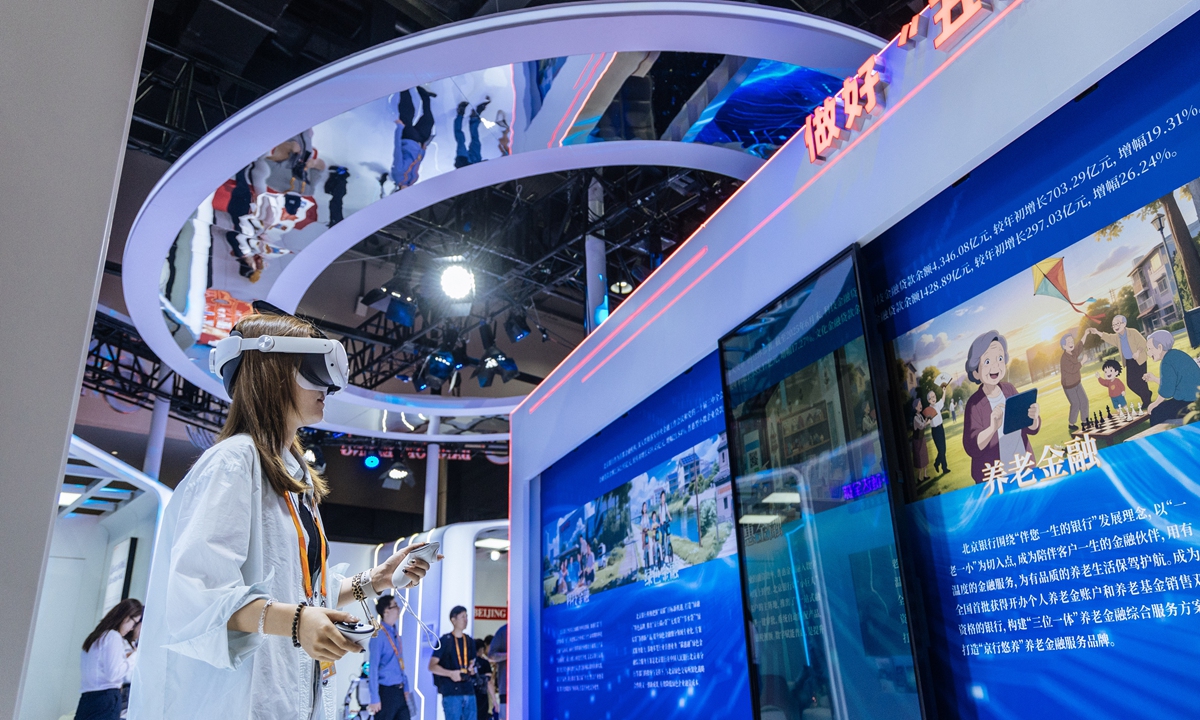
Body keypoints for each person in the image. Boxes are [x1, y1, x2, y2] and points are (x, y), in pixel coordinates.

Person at [129, 313, 432, 720]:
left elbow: (300, 591)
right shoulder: (235, 462)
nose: (326, 386)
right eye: (313, 371)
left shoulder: (293, 472)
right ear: (271, 373)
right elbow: (197, 594)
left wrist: (375, 580)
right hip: (238, 702)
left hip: (289, 695)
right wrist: (296, 622)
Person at [961, 331, 1041, 484]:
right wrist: (992, 428)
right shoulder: (974, 404)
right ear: (976, 372)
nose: (995, 366)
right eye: (987, 362)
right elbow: (971, 447)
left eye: (999, 358)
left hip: (1024, 467)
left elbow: (1031, 428)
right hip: (996, 478)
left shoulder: (1009, 389)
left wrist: (1034, 418)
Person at [77, 599, 142, 720]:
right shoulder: (113, 637)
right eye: (134, 623)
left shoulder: (95, 636)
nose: (132, 628)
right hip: (106, 699)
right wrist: (135, 656)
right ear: (126, 617)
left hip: (87, 699)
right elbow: (114, 674)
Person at [1085, 315, 1152, 407]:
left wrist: (1137, 352)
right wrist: (1096, 332)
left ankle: (1146, 401)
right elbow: (1108, 337)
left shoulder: (1133, 332)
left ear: (1124, 324)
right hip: (1129, 362)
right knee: (1131, 383)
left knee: (1141, 381)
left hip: (1139, 359)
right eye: (1113, 325)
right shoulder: (1117, 337)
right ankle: (1147, 394)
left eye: (1117, 323)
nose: (1115, 326)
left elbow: (1143, 343)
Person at [368, 595, 412, 720]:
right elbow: (373, 668)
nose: (398, 609)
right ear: (386, 611)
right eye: (395, 606)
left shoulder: (396, 634)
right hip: (385, 692)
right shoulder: (378, 636)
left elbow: (400, 662)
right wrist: (374, 698)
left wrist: (406, 686)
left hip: (400, 690)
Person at [430, 605, 478, 720]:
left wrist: (472, 669)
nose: (465, 620)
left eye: (466, 617)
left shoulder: (469, 641)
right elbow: (432, 666)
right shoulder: (445, 641)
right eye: (462, 617)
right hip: (451, 692)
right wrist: (450, 673)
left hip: (469, 690)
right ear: (453, 620)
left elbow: (472, 662)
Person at [1143, 329, 1200, 425]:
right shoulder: (1176, 354)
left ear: (1160, 347)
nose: (1148, 353)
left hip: (1189, 402)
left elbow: (1167, 391)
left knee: (1156, 412)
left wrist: (1155, 404)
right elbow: (1171, 383)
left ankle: (1161, 438)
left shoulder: (1167, 362)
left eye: (1150, 349)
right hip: (1195, 399)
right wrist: (1154, 379)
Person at [392, 86, 436, 191]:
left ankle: (404, 89)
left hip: (408, 139)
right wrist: (423, 150)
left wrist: (399, 128)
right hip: (420, 142)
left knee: (407, 113)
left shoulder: (398, 175)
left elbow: (397, 150)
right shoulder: (413, 181)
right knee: (428, 120)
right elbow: (417, 162)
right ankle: (425, 96)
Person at [1059, 333, 1089, 431]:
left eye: (1072, 341)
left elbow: (1079, 345)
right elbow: (1072, 369)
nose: (1071, 343)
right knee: (1075, 404)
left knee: (1084, 400)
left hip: (1077, 382)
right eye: (1068, 342)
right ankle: (1071, 423)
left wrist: (1086, 333)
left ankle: (1085, 421)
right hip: (1069, 386)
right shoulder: (1064, 359)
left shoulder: (1073, 352)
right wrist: (1082, 361)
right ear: (1064, 346)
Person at [454, 98, 490, 168]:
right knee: (475, 140)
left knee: (460, 139)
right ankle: (474, 118)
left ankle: (460, 113)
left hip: (463, 163)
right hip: (476, 163)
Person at [925, 386, 949, 474]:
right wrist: (926, 422)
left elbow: (942, 400)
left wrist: (944, 392)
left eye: (934, 396)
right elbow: (928, 420)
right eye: (931, 398)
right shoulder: (929, 410)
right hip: (935, 431)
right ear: (928, 400)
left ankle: (942, 466)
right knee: (941, 450)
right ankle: (941, 466)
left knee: (944, 449)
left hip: (941, 428)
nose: (933, 399)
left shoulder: (937, 405)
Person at [473, 635, 496, 720]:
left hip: (469, 695)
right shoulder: (484, 663)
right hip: (482, 697)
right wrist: (494, 701)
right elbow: (489, 682)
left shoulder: (468, 662)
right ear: (481, 649)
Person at [488, 625, 507, 720]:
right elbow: (492, 655)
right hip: (505, 689)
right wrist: (510, 655)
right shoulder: (503, 631)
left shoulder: (531, 627)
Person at [911, 399, 930, 482]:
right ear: (915, 407)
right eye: (919, 404)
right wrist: (927, 422)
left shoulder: (920, 416)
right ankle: (919, 477)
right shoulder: (915, 418)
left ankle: (925, 475)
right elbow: (921, 426)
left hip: (922, 439)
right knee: (919, 458)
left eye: (921, 404)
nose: (920, 406)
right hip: (917, 441)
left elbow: (923, 424)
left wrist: (926, 420)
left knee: (924, 456)